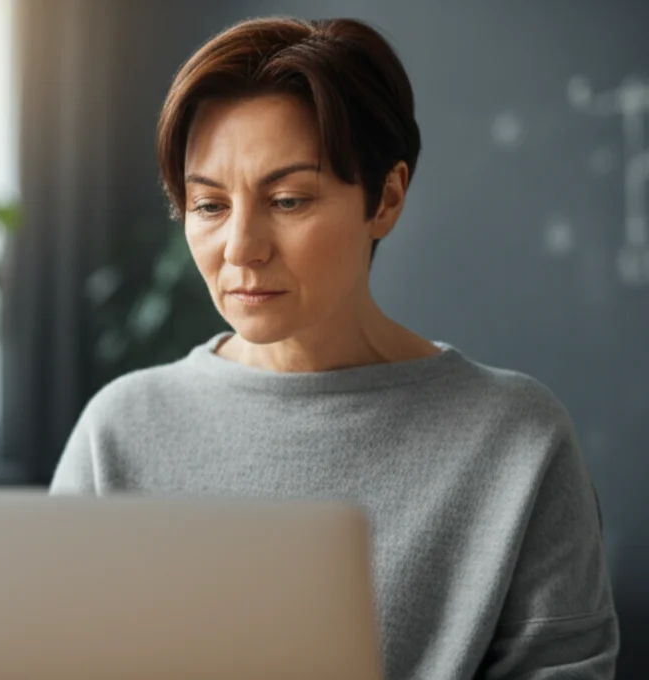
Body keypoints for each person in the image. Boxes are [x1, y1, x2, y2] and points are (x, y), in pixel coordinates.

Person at [50, 16, 619, 680]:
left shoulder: (517, 440)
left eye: (288, 200)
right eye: (209, 206)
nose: (240, 248)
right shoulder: (119, 431)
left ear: (386, 198)